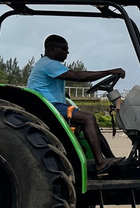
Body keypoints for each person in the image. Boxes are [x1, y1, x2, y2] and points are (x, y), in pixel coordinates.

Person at [27, 34, 126, 174]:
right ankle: (101, 163)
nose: (67, 52)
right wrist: (109, 71)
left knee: (92, 123)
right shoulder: (50, 64)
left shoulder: (47, 64)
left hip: (52, 104)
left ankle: (110, 159)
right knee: (89, 119)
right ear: (51, 48)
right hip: (48, 107)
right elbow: (78, 77)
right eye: (64, 49)